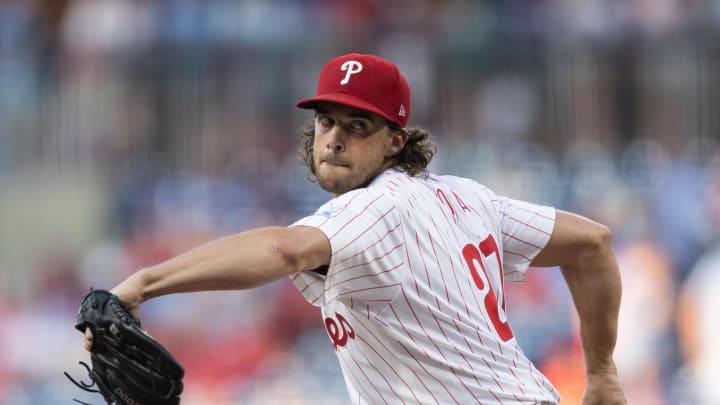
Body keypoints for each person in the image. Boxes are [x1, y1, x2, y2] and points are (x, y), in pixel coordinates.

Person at [83, 53, 626, 404]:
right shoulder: (466, 197)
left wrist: (145, 283)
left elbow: (285, 248)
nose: (334, 138)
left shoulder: (374, 208)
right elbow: (591, 244)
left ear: (396, 140)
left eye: (357, 125)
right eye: (326, 122)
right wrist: (600, 373)